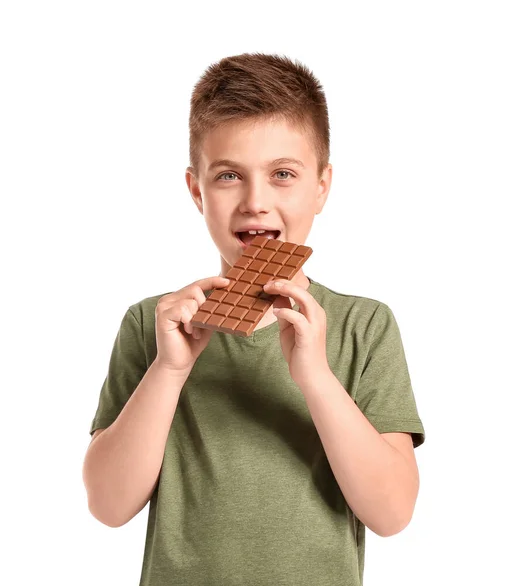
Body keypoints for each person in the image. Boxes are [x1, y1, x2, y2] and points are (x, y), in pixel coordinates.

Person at [83, 52, 426, 586]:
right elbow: (107, 505)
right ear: (197, 190)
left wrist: (314, 377)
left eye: (283, 174)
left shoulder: (364, 325)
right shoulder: (152, 324)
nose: (255, 202)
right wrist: (169, 371)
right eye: (228, 176)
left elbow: (392, 513)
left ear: (322, 186)